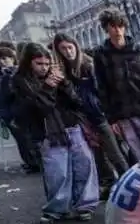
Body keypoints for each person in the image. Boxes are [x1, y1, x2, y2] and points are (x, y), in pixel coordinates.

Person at [12, 43, 99, 224]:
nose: (44, 68)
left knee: (83, 165)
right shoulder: (21, 81)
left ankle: (85, 205)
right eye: (39, 64)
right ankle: (58, 208)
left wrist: (65, 84)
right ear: (29, 64)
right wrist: (48, 86)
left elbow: (76, 101)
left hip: (71, 124)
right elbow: (40, 107)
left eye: (46, 63)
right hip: (47, 130)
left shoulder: (56, 75)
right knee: (58, 171)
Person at [54, 33, 130, 199]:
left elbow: (102, 91)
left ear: (76, 46)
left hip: (98, 115)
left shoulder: (89, 64)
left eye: (70, 47)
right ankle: (108, 183)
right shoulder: (60, 71)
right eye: (63, 49)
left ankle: (129, 184)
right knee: (96, 155)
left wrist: (109, 114)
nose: (68, 52)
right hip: (80, 118)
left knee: (114, 153)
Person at [93, 8, 140, 162]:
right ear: (106, 28)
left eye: (120, 26)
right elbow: (102, 89)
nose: (117, 30)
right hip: (123, 115)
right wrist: (112, 119)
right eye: (113, 26)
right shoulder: (101, 54)